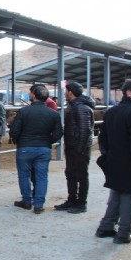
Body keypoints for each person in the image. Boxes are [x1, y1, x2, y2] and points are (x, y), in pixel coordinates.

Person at [95, 78, 131, 244]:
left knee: (116, 194)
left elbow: (102, 137)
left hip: (114, 161)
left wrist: (108, 154)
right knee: (130, 197)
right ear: (129, 92)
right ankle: (124, 233)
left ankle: (105, 227)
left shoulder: (112, 111)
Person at [10, 85, 63, 214]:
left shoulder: (23, 111)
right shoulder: (53, 114)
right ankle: (39, 204)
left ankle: (27, 201)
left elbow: (14, 130)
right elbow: (58, 133)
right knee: (42, 177)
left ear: (33, 95)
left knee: (24, 175)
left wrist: (20, 141)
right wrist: (48, 141)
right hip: (44, 148)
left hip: (25, 148)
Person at [55, 82, 95, 214]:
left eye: (66, 91)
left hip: (79, 148)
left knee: (81, 175)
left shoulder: (81, 108)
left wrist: (80, 148)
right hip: (72, 146)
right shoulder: (73, 106)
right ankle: (72, 199)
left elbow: (85, 130)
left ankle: (81, 203)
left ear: (70, 92)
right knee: (71, 173)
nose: (65, 94)